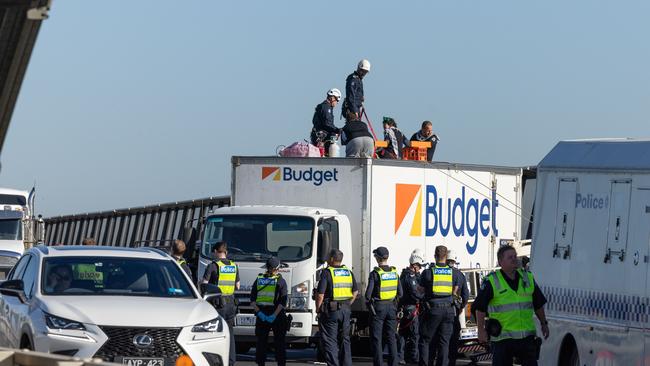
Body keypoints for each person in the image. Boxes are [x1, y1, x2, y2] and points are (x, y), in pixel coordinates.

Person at [474, 245, 549, 366]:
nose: (514, 259)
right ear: (500, 262)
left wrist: (544, 323)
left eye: (515, 256)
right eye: (510, 257)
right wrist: (480, 330)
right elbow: (480, 308)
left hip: (526, 338)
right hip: (503, 339)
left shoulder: (527, 277)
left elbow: (538, 303)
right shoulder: (492, 281)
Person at [316, 249, 359, 366]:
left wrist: (318, 310)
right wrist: (348, 304)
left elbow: (320, 294)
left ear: (331, 259)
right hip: (345, 310)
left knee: (330, 341)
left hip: (331, 311)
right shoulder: (348, 272)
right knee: (345, 339)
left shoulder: (327, 272)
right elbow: (355, 291)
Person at [418, 245, 459, 366]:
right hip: (449, 310)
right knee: (444, 342)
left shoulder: (428, 272)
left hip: (433, 309)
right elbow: (455, 291)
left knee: (425, 340)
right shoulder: (453, 273)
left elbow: (420, 290)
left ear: (435, 256)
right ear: (446, 257)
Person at [202, 241, 240, 366]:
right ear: (226, 252)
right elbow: (238, 286)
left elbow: (204, 284)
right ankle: (231, 361)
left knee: (216, 333)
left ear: (215, 252)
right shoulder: (234, 266)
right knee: (230, 333)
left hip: (218, 303)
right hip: (231, 303)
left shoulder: (213, 266)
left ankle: (215, 361)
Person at [366, 246, 402, 366]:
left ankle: (379, 363)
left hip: (378, 308)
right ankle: (394, 363)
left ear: (377, 258)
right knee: (391, 337)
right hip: (392, 307)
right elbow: (400, 293)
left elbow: (367, 295)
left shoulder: (375, 274)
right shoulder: (394, 272)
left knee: (377, 338)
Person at [251, 256, 288, 366]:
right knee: (279, 342)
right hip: (277, 316)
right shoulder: (281, 281)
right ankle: (281, 363)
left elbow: (252, 300)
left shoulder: (259, 279)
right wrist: (274, 315)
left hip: (262, 315)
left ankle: (260, 363)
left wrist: (260, 314)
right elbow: (283, 302)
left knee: (261, 342)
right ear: (277, 268)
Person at [397, 249, 425, 365]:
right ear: (414, 265)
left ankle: (401, 357)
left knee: (403, 334)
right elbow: (416, 293)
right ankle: (414, 358)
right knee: (414, 334)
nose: (420, 269)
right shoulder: (409, 277)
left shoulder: (405, 274)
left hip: (405, 308)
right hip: (411, 309)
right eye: (419, 266)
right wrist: (424, 295)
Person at [446, 250, 469, 366]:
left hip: (441, 311)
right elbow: (465, 294)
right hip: (454, 311)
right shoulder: (460, 275)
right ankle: (452, 362)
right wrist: (461, 307)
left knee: (442, 340)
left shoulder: (441, 272)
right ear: (455, 261)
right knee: (454, 340)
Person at [311, 88, 342, 155]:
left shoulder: (323, 106)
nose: (336, 103)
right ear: (332, 98)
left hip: (318, 135)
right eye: (336, 101)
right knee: (326, 155)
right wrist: (337, 130)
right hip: (323, 137)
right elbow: (327, 123)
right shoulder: (326, 107)